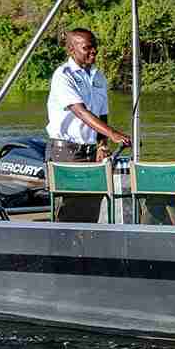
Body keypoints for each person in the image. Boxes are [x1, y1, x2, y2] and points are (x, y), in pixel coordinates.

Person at [47, 28, 130, 223]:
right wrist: (113, 134)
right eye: (87, 48)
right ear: (71, 49)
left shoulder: (98, 76)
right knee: (69, 212)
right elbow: (81, 111)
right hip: (67, 153)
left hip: (91, 152)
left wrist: (102, 144)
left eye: (95, 48)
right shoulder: (63, 75)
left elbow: (102, 114)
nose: (93, 52)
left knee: (91, 208)